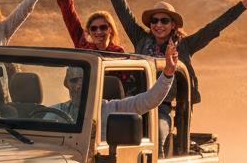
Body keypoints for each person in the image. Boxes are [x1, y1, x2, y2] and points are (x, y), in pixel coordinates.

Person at [94, 0, 247, 147]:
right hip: (134, 105)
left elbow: (214, 27)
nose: (159, 25)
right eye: (155, 20)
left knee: (157, 135)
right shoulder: (140, 39)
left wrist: (243, 5)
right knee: (104, 133)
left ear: (173, 24)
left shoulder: (184, 46)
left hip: (161, 109)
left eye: (164, 20)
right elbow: (122, 10)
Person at [47, 41, 180, 137]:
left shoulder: (110, 109)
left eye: (83, 80)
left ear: (94, 82)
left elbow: (148, 100)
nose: (78, 86)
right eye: (73, 80)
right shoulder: (56, 112)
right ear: (67, 84)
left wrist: (167, 74)